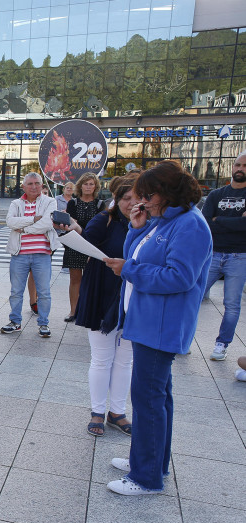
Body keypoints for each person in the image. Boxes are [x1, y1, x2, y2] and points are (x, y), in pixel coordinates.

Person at [103, 160, 212, 495]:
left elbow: (180, 277)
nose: (143, 202)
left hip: (161, 324)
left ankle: (146, 477)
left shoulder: (189, 225)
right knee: (158, 397)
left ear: (166, 193)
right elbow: (138, 257)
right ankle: (150, 462)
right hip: (149, 319)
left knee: (148, 399)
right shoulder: (165, 220)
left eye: (148, 196)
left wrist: (130, 271)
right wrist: (136, 229)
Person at [55, 172, 139, 437]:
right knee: (102, 359)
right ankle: (97, 412)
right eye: (126, 198)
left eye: (137, 198)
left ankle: (118, 412)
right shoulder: (105, 220)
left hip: (133, 298)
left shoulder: (146, 223)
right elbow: (84, 244)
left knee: (125, 361)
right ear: (116, 198)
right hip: (102, 294)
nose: (131, 204)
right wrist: (72, 230)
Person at [1, 172, 59, 338]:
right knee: (16, 291)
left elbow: (47, 223)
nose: (34, 187)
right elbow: (10, 222)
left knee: (44, 292)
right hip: (19, 254)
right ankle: (15, 322)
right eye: (30, 184)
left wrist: (25, 228)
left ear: (42, 185)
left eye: (37, 183)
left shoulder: (50, 202)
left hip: (42, 254)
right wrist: (34, 219)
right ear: (24, 186)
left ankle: (43, 323)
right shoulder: (16, 203)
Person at [201, 151, 246, 361]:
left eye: (244, 166)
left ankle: (221, 344)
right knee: (193, 295)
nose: (240, 169)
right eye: (238, 164)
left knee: (232, 304)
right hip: (213, 254)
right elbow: (205, 223)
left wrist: (220, 220)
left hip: (239, 256)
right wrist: (235, 222)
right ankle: (183, 338)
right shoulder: (216, 194)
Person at [63, 172, 106, 321]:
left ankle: (88, 310)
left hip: (93, 245)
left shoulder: (100, 204)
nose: (88, 187)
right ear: (80, 185)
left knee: (92, 279)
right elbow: (70, 223)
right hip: (75, 244)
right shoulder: (72, 203)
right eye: (86, 184)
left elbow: (101, 227)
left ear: (95, 186)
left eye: (91, 184)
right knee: (75, 279)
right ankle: (73, 311)